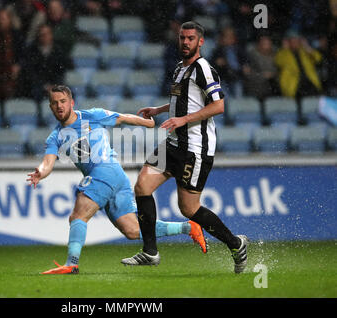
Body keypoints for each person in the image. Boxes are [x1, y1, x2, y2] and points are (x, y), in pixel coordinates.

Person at [26, 85, 208, 275]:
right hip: (116, 178)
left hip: (105, 171)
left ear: (71, 103)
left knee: (78, 216)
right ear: (50, 107)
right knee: (132, 230)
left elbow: (122, 117)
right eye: (54, 103)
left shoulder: (91, 115)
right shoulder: (55, 137)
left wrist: (147, 123)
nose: (59, 106)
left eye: (63, 101)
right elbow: (47, 163)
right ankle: (188, 227)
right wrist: (40, 172)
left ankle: (72, 264)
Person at [121, 21, 248, 274]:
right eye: (182, 38)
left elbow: (218, 106)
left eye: (190, 38)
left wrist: (183, 120)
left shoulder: (204, 69)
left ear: (200, 41)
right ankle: (150, 251)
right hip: (173, 143)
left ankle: (235, 244)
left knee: (188, 208)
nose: (185, 42)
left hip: (195, 148)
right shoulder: (180, 68)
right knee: (142, 186)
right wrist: (160, 110)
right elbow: (184, 102)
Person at [275, 30, 323, 99]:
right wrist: (284, 48)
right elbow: (278, 62)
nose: (295, 43)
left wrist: (307, 47)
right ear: (288, 42)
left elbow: (318, 59)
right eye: (292, 41)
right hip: (294, 84)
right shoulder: (284, 53)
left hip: (310, 81)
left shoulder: (304, 51)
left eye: (297, 40)